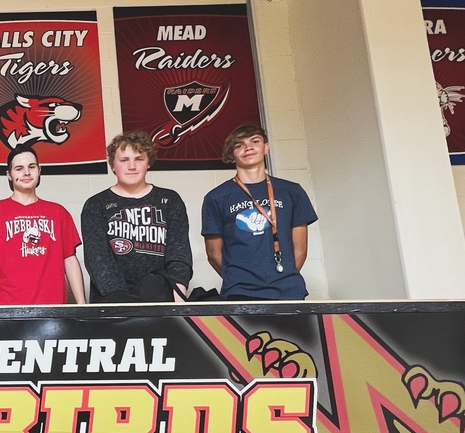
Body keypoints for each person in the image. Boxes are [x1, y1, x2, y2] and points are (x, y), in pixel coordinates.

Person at [201, 124, 318, 301]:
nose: (247, 147)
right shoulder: (216, 197)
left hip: (288, 290)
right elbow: (213, 254)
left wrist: (282, 276)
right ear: (231, 154)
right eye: (238, 145)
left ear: (266, 147)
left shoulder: (292, 191)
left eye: (254, 141)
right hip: (239, 291)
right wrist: (236, 279)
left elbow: (300, 249)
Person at [80, 132, 192, 303]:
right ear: (113, 165)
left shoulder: (170, 200)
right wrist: (125, 304)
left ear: (148, 163)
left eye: (139, 159)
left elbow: (179, 253)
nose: (131, 166)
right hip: (114, 302)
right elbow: (98, 262)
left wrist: (177, 295)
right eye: (124, 160)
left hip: (162, 299)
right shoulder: (96, 205)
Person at [0, 144, 86, 306]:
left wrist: (81, 304)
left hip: (52, 309)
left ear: (39, 170)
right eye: (19, 168)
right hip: (7, 310)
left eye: (32, 167)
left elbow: (70, 259)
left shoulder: (58, 213)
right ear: (9, 175)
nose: (26, 172)